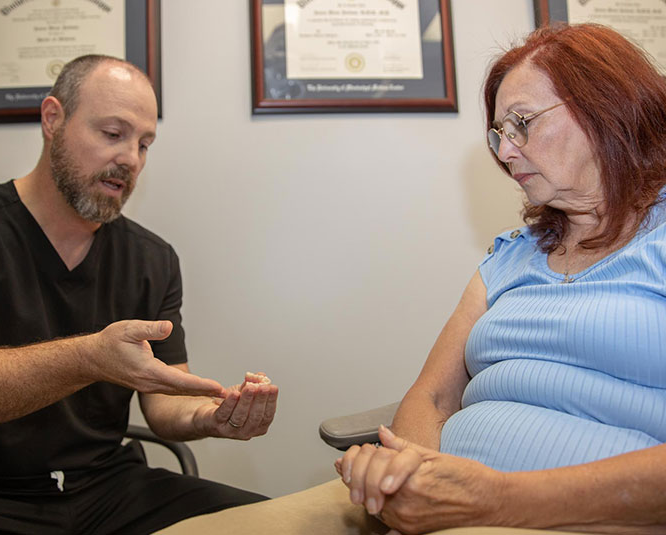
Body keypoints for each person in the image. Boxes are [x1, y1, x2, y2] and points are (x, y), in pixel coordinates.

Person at [155, 23, 666, 535]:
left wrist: (495, 499)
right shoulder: (510, 260)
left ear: (606, 106)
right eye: (499, 135)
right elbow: (433, 398)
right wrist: (403, 476)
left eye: (522, 123)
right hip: (440, 504)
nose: (506, 154)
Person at [0, 54, 279, 534]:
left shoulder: (152, 258)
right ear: (53, 119)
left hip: (106, 488)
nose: (131, 158)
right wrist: (89, 358)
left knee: (273, 522)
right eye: (113, 134)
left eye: (144, 144)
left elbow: (163, 400)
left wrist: (211, 415)